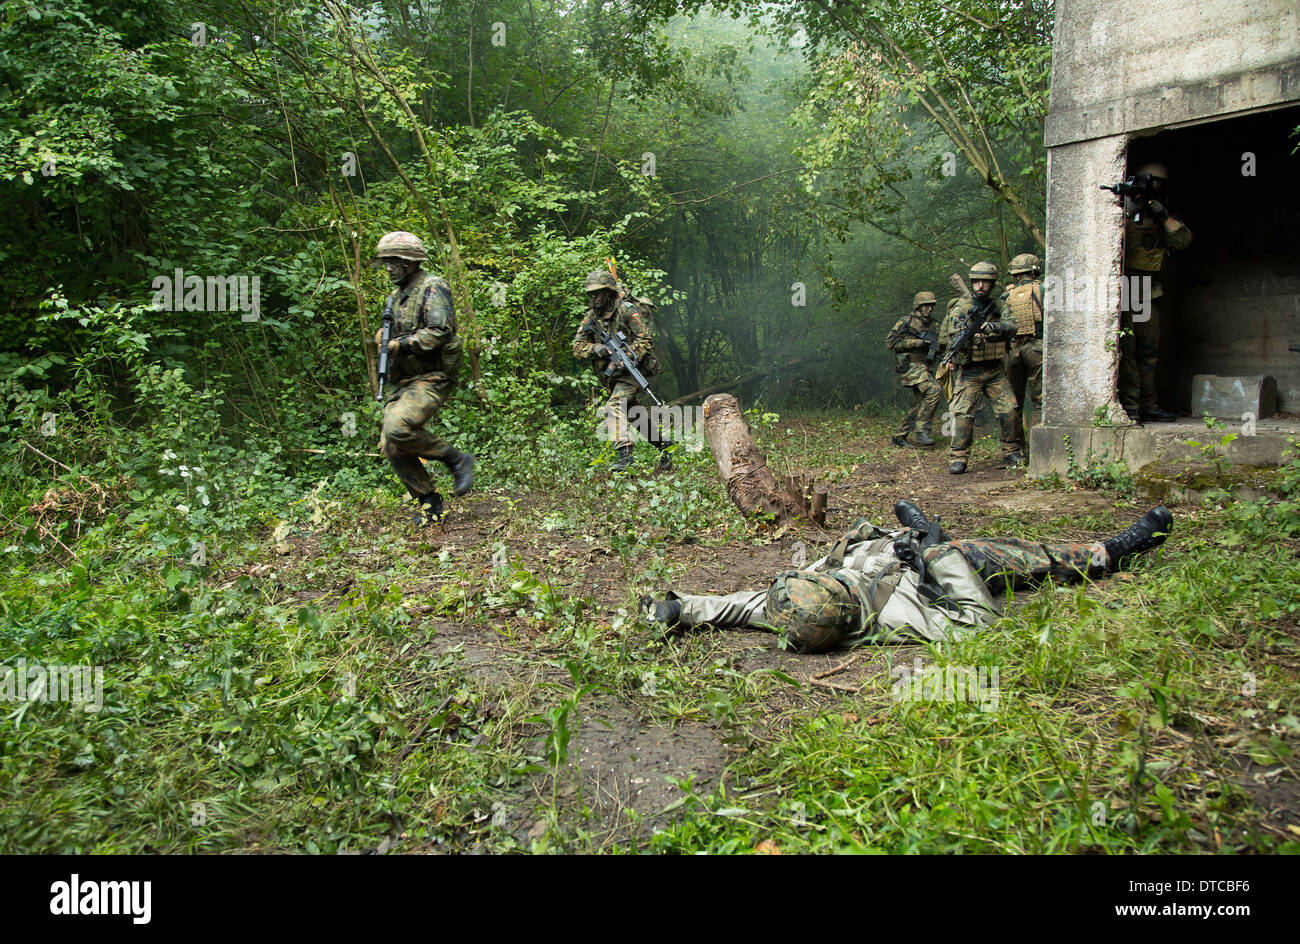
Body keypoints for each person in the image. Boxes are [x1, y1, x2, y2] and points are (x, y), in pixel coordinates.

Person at [641, 502, 1173, 652]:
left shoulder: (790, 606)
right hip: (944, 574)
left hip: (892, 549)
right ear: (847, 613)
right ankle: (1108, 554)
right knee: (996, 553)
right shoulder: (899, 619)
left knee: (886, 537)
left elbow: (735, 605)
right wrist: (936, 554)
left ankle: (917, 530)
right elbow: (979, 624)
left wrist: (678, 607)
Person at [372, 231, 475, 525]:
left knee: (396, 428)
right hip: (405, 380)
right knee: (391, 445)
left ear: (410, 262)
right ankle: (430, 503)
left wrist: (399, 344)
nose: (389, 268)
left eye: (395, 261)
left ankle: (455, 458)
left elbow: (441, 331)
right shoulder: (396, 297)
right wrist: (383, 338)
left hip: (432, 375)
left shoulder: (432, 287)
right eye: (387, 262)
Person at [572, 268, 672, 473]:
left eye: (598, 293)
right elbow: (577, 347)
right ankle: (665, 447)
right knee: (634, 414)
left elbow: (645, 338)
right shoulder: (590, 318)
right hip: (613, 377)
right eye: (591, 293)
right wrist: (596, 348)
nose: (595, 297)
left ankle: (625, 455)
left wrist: (627, 356)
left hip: (633, 369)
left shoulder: (626, 310)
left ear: (609, 292)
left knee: (614, 405)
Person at [1119, 161, 1192, 424]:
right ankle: (1130, 406)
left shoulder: (1161, 214)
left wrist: (1161, 213)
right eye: (1150, 182)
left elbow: (1182, 240)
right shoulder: (1122, 209)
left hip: (1149, 292)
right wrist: (1127, 211)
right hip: (1125, 292)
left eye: (1158, 184)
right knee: (1127, 352)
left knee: (1148, 353)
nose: (1153, 188)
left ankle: (1148, 405)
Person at [938, 261, 1020, 474]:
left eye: (985, 282)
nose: (980, 286)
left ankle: (1011, 451)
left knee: (1009, 409)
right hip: (970, 372)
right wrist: (971, 339)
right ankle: (958, 457)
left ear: (992, 283)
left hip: (994, 371)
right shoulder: (961, 308)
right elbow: (954, 336)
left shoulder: (1000, 306)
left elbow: (1014, 325)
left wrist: (994, 327)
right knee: (962, 415)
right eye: (976, 282)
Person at [1002, 253, 1044, 462]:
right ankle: (1037, 452)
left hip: (1013, 351)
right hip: (1037, 348)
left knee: (1013, 402)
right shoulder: (1043, 289)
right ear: (1034, 270)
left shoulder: (1006, 295)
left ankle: (1014, 449)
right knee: (1040, 402)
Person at [886, 292, 942, 448]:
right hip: (911, 366)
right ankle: (922, 431)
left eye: (931, 305)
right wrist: (917, 343)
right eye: (926, 305)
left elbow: (941, 342)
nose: (929, 309)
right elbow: (890, 342)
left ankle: (899, 436)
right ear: (918, 306)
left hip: (925, 366)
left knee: (921, 403)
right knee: (934, 390)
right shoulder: (906, 322)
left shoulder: (934, 325)